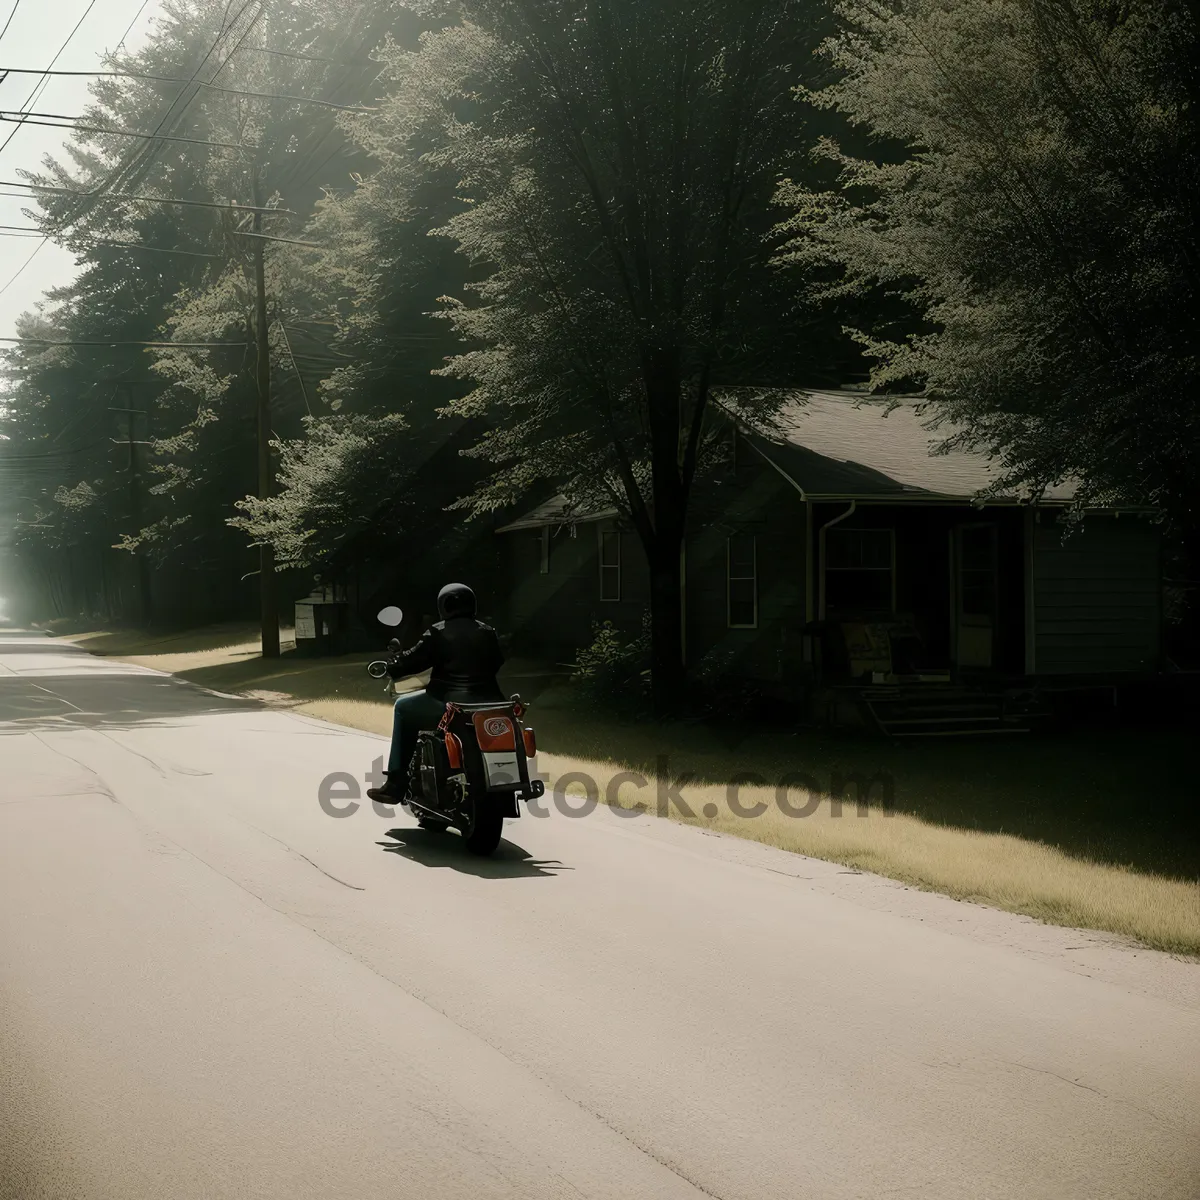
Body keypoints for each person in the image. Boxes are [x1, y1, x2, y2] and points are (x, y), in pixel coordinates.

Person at [366, 582, 505, 804]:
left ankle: (395, 784)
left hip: (447, 703)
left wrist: (393, 665)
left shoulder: (438, 632)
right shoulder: (488, 632)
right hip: (488, 704)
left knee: (402, 708)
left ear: (444, 605)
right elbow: (498, 661)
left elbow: (413, 660)